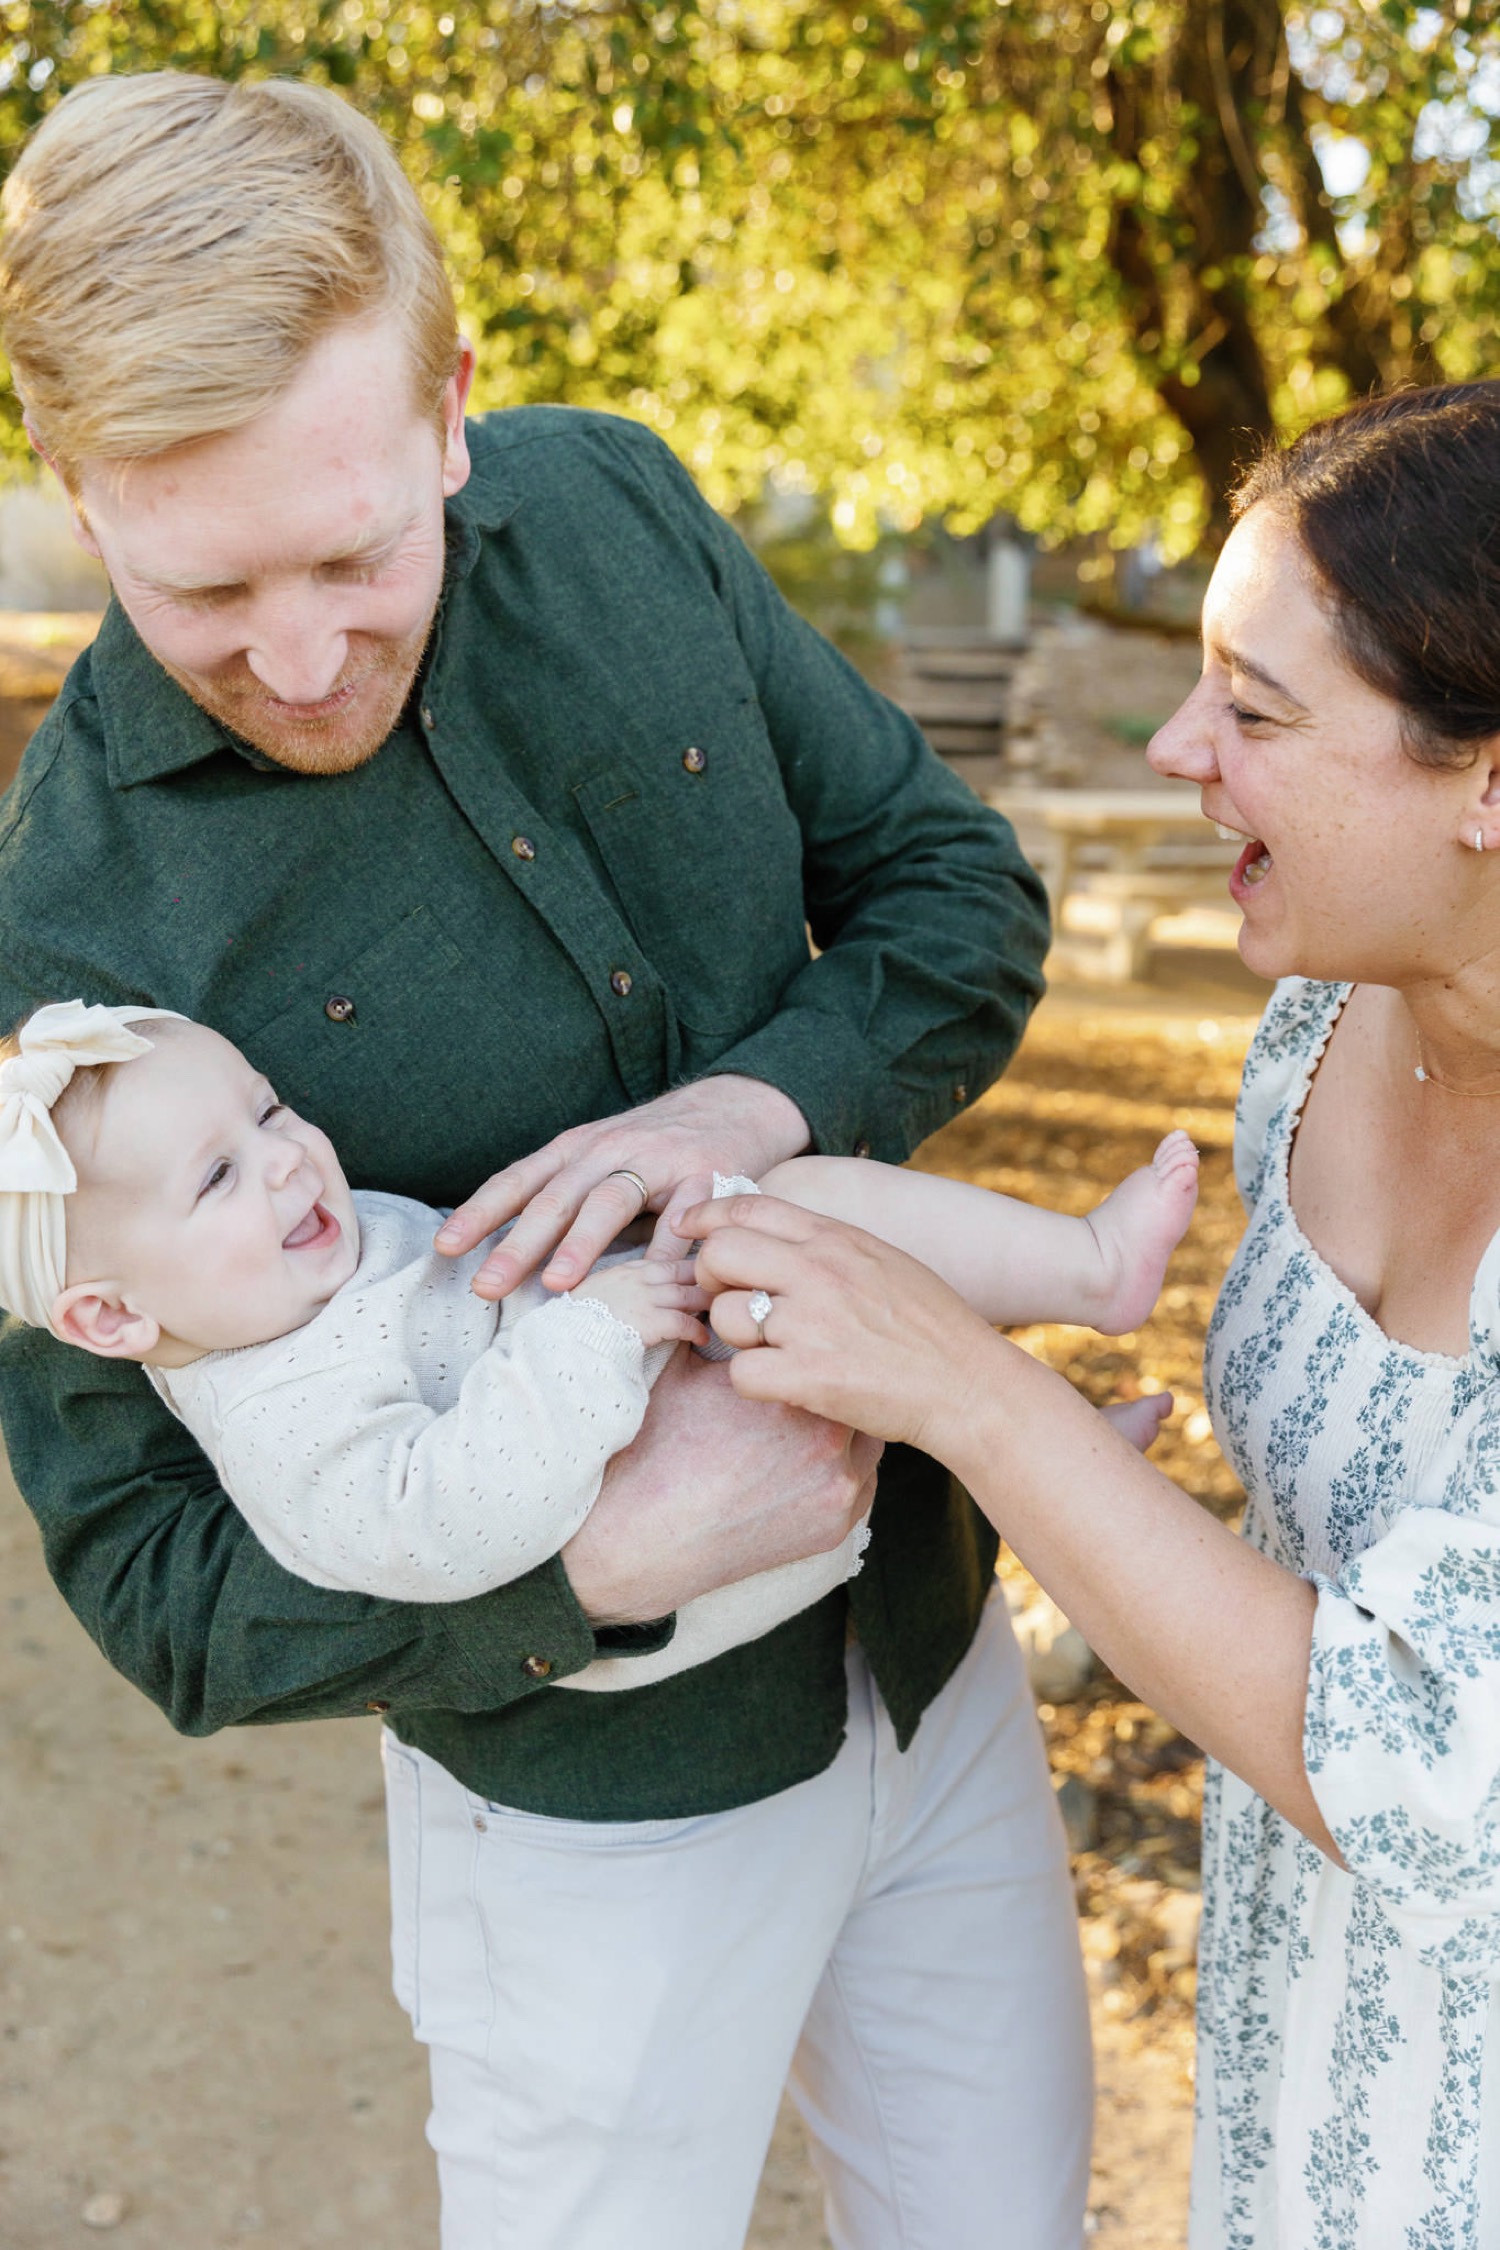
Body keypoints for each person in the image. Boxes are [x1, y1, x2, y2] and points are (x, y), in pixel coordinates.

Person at [0, 71, 1094, 2250]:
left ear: (454, 406)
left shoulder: (621, 507)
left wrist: (750, 1105)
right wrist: (583, 1575)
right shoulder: (62, 965)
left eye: (358, 552)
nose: (299, 661)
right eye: (209, 587)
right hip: (598, 1815)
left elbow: (950, 900)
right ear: (68, 480)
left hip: (941, 1648)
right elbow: (158, 1592)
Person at [689, 380, 1500, 2248]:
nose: (1173, 745)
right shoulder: (1312, 1039)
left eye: (1257, 711)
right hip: (1305, 2066)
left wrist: (979, 1398)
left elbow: (1425, 1758)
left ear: (1485, 776)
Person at [0, 1000, 1196, 1680]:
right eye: (217, 1175)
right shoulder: (281, 1425)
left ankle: (1076, 1319)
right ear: (110, 1317)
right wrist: (599, 1333)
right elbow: (442, 1527)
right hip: (677, 1532)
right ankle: (1057, 1422)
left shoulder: (290, 1266)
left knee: (806, 1221)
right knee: (807, 1278)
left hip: (644, 1363)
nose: (282, 1157)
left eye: (266, 1109)